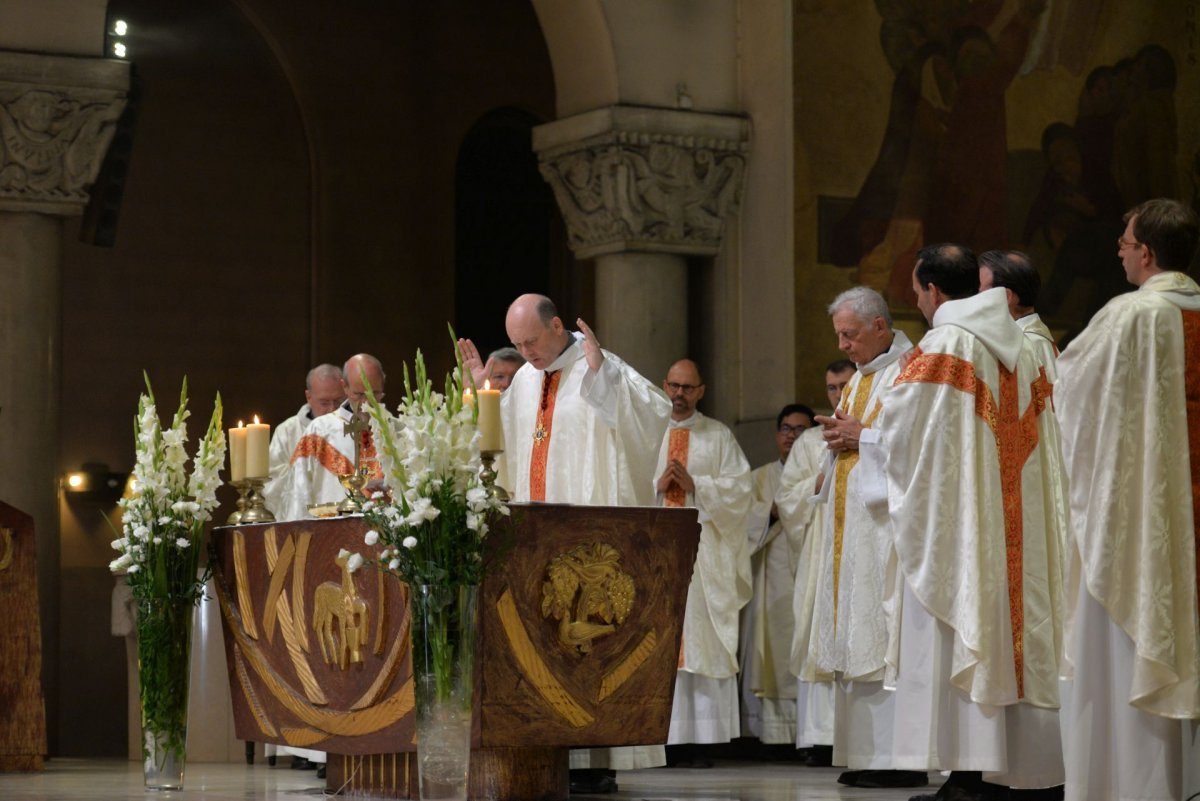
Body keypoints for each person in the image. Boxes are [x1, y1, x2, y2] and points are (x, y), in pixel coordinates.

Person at [873, 243, 1068, 800]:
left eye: (915, 292)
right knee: (1018, 631)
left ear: (934, 291)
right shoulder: (1029, 343)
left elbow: (902, 432)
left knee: (962, 630)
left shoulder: (944, 345)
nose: (917, 301)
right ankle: (1022, 772)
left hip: (961, 524)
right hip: (1020, 515)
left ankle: (969, 771)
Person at [457, 294, 670, 793]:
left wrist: (603, 380)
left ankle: (597, 758)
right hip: (533, 540)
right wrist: (477, 397)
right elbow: (494, 446)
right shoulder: (526, 381)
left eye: (531, 341)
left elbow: (653, 422)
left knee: (590, 638)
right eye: (516, 344)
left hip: (589, 544)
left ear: (557, 326)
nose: (526, 352)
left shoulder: (602, 365)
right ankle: (549, 752)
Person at [1054, 199, 1200, 801]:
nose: (1118, 246)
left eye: (1125, 238)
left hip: (1146, 512)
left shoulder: (1130, 316)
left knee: (1133, 627)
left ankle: (1136, 784)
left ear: (1147, 252)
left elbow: (1071, 395)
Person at [804, 287, 923, 789]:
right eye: (839, 336)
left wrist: (862, 438)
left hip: (888, 533)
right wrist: (834, 454)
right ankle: (870, 755)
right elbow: (850, 439)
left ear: (879, 326)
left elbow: (922, 443)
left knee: (884, 635)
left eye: (849, 335)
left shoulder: (912, 371)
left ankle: (900, 759)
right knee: (856, 634)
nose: (844, 345)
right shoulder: (858, 380)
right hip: (852, 533)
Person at [651, 359, 753, 767]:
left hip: (703, 555)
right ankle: (661, 738)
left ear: (701, 391)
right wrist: (655, 486)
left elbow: (741, 491)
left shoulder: (718, 436)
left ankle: (702, 741)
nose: (679, 394)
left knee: (703, 641)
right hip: (657, 554)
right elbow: (623, 481)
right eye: (673, 385)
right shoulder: (649, 431)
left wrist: (698, 485)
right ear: (664, 385)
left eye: (687, 387)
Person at [777, 360, 855, 766]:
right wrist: (815, 486)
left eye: (843, 385)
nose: (837, 394)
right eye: (830, 388)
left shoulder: (864, 429)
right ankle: (817, 738)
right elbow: (788, 495)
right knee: (814, 630)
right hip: (819, 549)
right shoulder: (809, 442)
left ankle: (854, 739)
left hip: (857, 548)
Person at [739, 402, 816, 749]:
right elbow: (741, 524)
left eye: (801, 430)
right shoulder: (761, 477)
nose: (792, 436)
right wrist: (769, 512)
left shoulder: (820, 471)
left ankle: (808, 734)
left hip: (806, 574)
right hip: (771, 578)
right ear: (776, 434)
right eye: (787, 429)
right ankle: (770, 734)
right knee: (771, 652)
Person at [270, 354, 387, 521]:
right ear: (345, 388)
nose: (366, 403)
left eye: (374, 393)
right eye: (359, 394)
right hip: (331, 535)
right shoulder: (318, 431)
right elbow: (298, 495)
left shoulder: (397, 430)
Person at [262, 364, 345, 515]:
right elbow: (272, 483)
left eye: (338, 401)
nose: (332, 409)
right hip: (304, 520)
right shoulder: (288, 432)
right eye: (324, 403)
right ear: (309, 397)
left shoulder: (354, 428)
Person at [979, 250, 1059, 377]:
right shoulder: (1036, 339)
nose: (975, 302)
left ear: (1005, 297)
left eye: (981, 294)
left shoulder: (1024, 348)